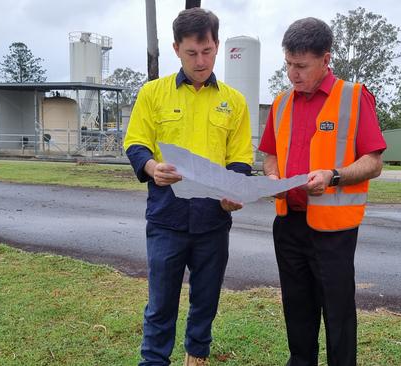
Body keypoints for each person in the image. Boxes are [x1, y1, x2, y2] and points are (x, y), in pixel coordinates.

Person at [123, 7, 253, 366]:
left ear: (217, 45)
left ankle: (196, 358)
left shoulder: (234, 102)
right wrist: (150, 167)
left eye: (208, 51)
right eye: (192, 53)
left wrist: (234, 192)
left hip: (213, 219)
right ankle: (153, 361)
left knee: (206, 300)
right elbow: (135, 143)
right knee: (161, 303)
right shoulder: (153, 94)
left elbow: (240, 158)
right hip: (167, 217)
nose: (201, 61)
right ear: (177, 48)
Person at [258, 17, 387, 366]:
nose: (292, 74)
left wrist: (333, 176)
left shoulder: (354, 97)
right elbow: (270, 154)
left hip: (334, 229)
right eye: (287, 64)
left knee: (337, 311)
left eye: (301, 66)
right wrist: (273, 177)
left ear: (325, 59)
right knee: (296, 308)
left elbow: (373, 162)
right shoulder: (281, 103)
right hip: (288, 224)